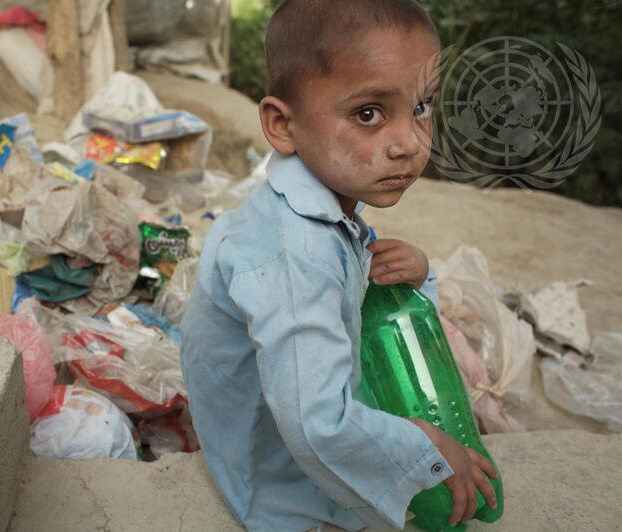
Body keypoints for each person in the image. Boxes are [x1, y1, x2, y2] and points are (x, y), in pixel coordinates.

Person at [179, 1, 498, 530]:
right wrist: (426, 452)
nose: (408, 143)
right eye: (368, 113)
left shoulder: (324, 202)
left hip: (297, 416)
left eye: (421, 106)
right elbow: (315, 424)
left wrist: (417, 277)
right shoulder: (294, 254)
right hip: (278, 480)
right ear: (282, 125)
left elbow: (353, 310)